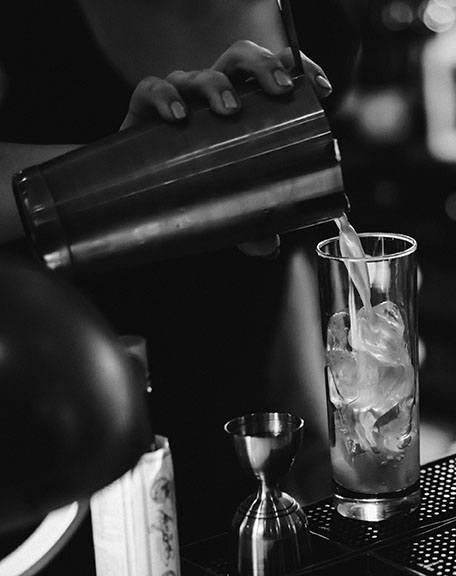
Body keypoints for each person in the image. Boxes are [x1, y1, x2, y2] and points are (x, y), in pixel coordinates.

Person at [0, 1, 359, 572]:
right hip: (51, 459)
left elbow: (288, 252)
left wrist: (316, 441)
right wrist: (127, 167)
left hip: (236, 462)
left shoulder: (317, 19)